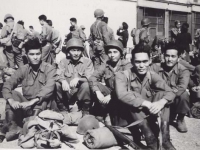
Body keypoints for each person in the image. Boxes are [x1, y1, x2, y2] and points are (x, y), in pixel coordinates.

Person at [114, 44, 176, 150]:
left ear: (150, 61)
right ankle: (150, 139)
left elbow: (171, 92)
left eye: (145, 61)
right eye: (138, 62)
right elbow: (122, 95)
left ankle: (165, 138)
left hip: (146, 116)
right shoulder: (122, 75)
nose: (142, 65)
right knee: (134, 96)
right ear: (132, 62)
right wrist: (145, 103)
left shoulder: (151, 75)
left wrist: (161, 102)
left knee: (162, 95)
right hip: (127, 118)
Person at [0, 38, 56, 142]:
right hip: (26, 105)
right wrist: (11, 100)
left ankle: (25, 126)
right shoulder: (23, 69)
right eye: (32, 54)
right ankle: (13, 126)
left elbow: (49, 88)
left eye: (38, 54)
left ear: (41, 53)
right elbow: (8, 84)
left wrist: (32, 101)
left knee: (42, 102)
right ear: (26, 55)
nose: (35, 57)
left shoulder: (50, 68)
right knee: (13, 93)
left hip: (41, 104)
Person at [88, 40, 132, 124]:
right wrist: (98, 93)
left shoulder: (127, 65)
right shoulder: (106, 64)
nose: (112, 55)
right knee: (93, 85)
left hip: (121, 96)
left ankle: (110, 113)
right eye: (110, 52)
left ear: (121, 53)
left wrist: (111, 96)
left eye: (115, 52)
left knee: (118, 123)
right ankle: (102, 111)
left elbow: (127, 86)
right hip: (109, 93)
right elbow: (92, 78)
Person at [150, 42, 190, 133]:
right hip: (158, 100)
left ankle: (180, 119)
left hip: (171, 100)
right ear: (163, 55)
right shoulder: (155, 67)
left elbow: (181, 88)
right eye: (167, 56)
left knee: (184, 94)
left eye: (173, 56)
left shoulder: (183, 70)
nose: (169, 59)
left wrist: (165, 98)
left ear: (178, 58)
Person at [56, 38, 94, 116]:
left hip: (81, 94)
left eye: (78, 50)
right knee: (56, 84)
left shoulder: (87, 62)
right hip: (68, 93)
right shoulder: (63, 61)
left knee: (86, 84)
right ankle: (63, 108)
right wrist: (63, 81)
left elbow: (90, 77)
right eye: (73, 50)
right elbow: (57, 74)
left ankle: (85, 109)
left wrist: (79, 79)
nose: (76, 53)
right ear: (68, 51)